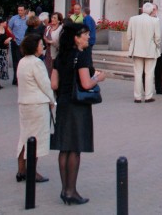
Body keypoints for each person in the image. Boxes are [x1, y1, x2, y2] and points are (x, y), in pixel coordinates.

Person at [51, 21, 107, 205]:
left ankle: (63, 190)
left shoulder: (60, 57)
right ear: (76, 38)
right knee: (75, 149)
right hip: (78, 107)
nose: (88, 37)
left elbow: (54, 85)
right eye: (85, 34)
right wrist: (99, 77)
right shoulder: (81, 57)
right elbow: (85, 84)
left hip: (64, 104)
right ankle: (71, 191)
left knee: (64, 148)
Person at [16, 33, 53, 183]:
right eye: (40, 44)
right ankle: (32, 171)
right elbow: (45, 84)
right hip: (37, 105)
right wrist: (52, 101)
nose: (43, 46)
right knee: (35, 139)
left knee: (25, 137)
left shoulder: (22, 62)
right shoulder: (37, 63)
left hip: (25, 103)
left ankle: (21, 169)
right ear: (34, 46)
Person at [127, 2, 162, 103]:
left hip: (137, 50)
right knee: (149, 74)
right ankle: (148, 96)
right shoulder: (154, 21)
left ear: (142, 9)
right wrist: (156, 46)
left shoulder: (133, 19)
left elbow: (129, 36)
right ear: (151, 11)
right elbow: (158, 38)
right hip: (150, 51)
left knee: (137, 73)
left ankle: (137, 97)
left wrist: (132, 44)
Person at [149, 4, 162, 96]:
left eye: (154, 9)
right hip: (149, 51)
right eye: (151, 9)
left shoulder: (161, 20)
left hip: (159, 50)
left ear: (157, 10)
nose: (153, 11)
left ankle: (159, 88)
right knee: (148, 71)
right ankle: (147, 89)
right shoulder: (146, 20)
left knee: (159, 70)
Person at [8, 5, 29, 86]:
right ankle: (16, 79)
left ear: (24, 11)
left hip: (24, 42)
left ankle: (23, 79)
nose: (20, 12)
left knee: (24, 61)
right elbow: (9, 28)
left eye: (21, 10)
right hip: (16, 42)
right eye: (18, 10)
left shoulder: (28, 19)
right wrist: (12, 36)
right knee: (16, 61)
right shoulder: (14, 18)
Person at [43, 12, 64, 77]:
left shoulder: (61, 29)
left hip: (56, 53)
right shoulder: (48, 28)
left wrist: (51, 42)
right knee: (48, 69)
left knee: (55, 71)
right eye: (52, 17)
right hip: (48, 52)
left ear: (59, 20)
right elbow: (44, 36)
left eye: (54, 18)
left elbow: (60, 42)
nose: (52, 19)